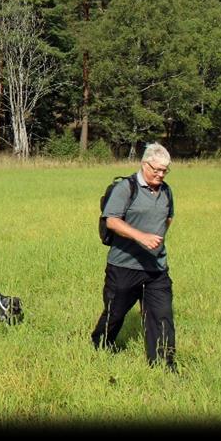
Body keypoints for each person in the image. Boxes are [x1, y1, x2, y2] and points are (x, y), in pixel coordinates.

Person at [91, 142, 177, 371]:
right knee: (115, 314)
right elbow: (112, 220)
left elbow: (168, 218)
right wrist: (141, 237)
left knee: (162, 316)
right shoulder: (126, 188)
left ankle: (164, 366)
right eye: (156, 169)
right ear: (144, 164)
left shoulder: (166, 190)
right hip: (124, 265)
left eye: (164, 170)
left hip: (156, 267)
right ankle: (99, 347)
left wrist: (156, 241)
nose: (160, 174)